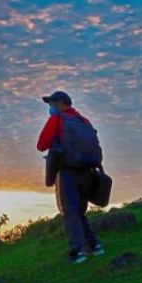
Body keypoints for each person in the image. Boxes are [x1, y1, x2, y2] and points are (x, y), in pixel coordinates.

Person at [36, 90, 105, 265]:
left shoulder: (57, 119)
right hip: (87, 172)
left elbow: (41, 145)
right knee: (80, 212)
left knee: (70, 212)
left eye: (51, 104)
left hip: (67, 172)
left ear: (60, 104)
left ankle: (76, 252)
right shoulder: (84, 121)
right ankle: (95, 246)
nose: (50, 108)